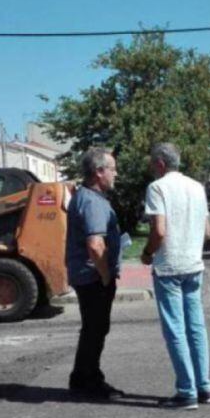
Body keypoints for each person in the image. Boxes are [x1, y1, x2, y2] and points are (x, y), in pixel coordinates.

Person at [142, 143, 210, 410]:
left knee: (175, 330)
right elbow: (207, 232)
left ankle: (186, 391)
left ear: (160, 163)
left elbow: (159, 231)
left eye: (152, 163)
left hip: (169, 267)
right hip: (194, 265)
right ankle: (204, 386)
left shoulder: (157, 188)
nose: (151, 167)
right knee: (196, 327)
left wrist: (147, 253)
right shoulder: (197, 187)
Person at [65, 147, 125, 399]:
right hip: (92, 278)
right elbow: (95, 244)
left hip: (87, 275)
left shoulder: (87, 197)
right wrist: (105, 275)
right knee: (95, 329)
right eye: (112, 169)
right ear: (99, 172)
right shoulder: (91, 201)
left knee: (93, 328)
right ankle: (89, 381)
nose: (116, 173)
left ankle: (82, 377)